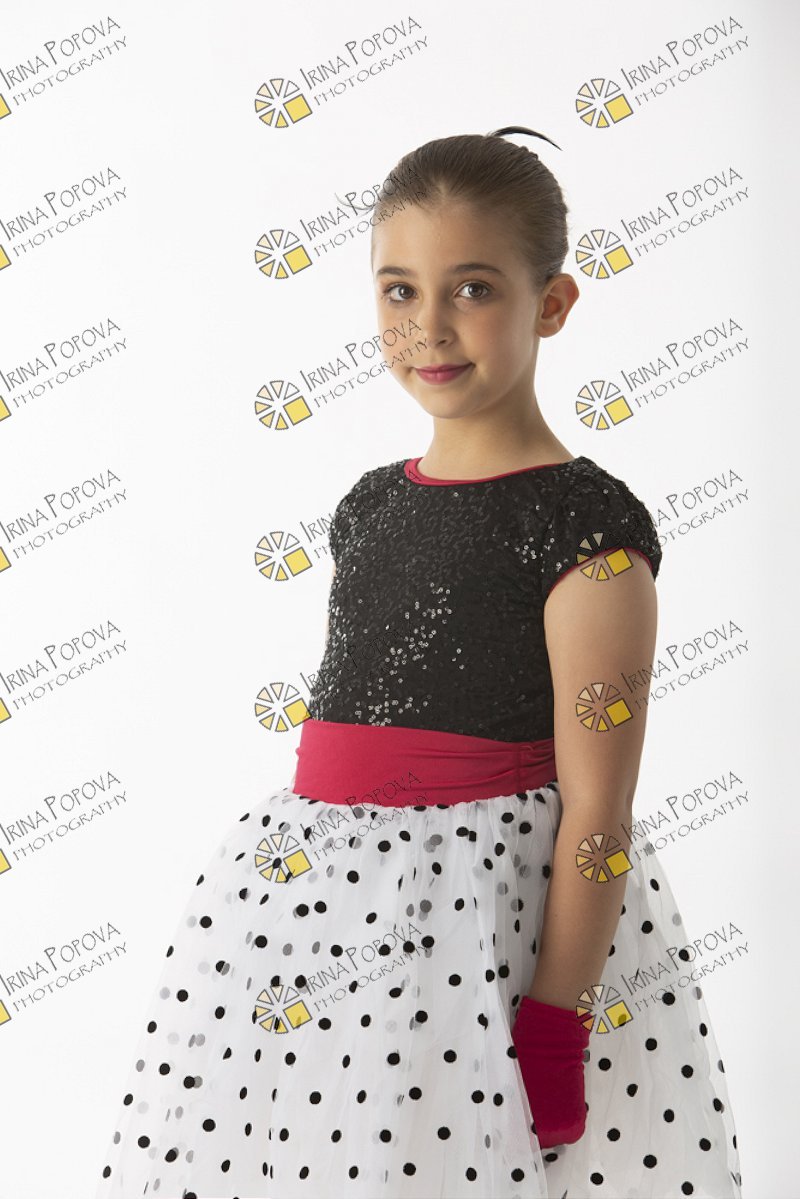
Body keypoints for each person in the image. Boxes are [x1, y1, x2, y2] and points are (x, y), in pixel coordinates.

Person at [94, 128, 743, 1199]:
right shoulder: (369, 505)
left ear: (552, 303)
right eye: (399, 290)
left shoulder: (585, 533)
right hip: (317, 918)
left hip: (477, 929)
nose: (427, 327)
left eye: (472, 289)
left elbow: (599, 817)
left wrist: (552, 1025)